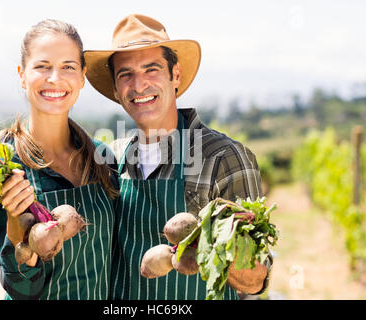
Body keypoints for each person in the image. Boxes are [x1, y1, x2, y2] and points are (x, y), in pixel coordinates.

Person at [84, 14, 272, 300]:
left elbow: (255, 280)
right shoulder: (113, 158)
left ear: (176, 75)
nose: (139, 85)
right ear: (115, 89)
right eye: (126, 74)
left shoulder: (223, 157)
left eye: (152, 69)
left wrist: (211, 244)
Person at [0, 19, 119, 300]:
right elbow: (20, 289)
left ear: (82, 76)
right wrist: (15, 222)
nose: (55, 78)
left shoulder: (102, 158)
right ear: (22, 75)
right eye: (42, 66)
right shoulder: (5, 168)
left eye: (68, 67)